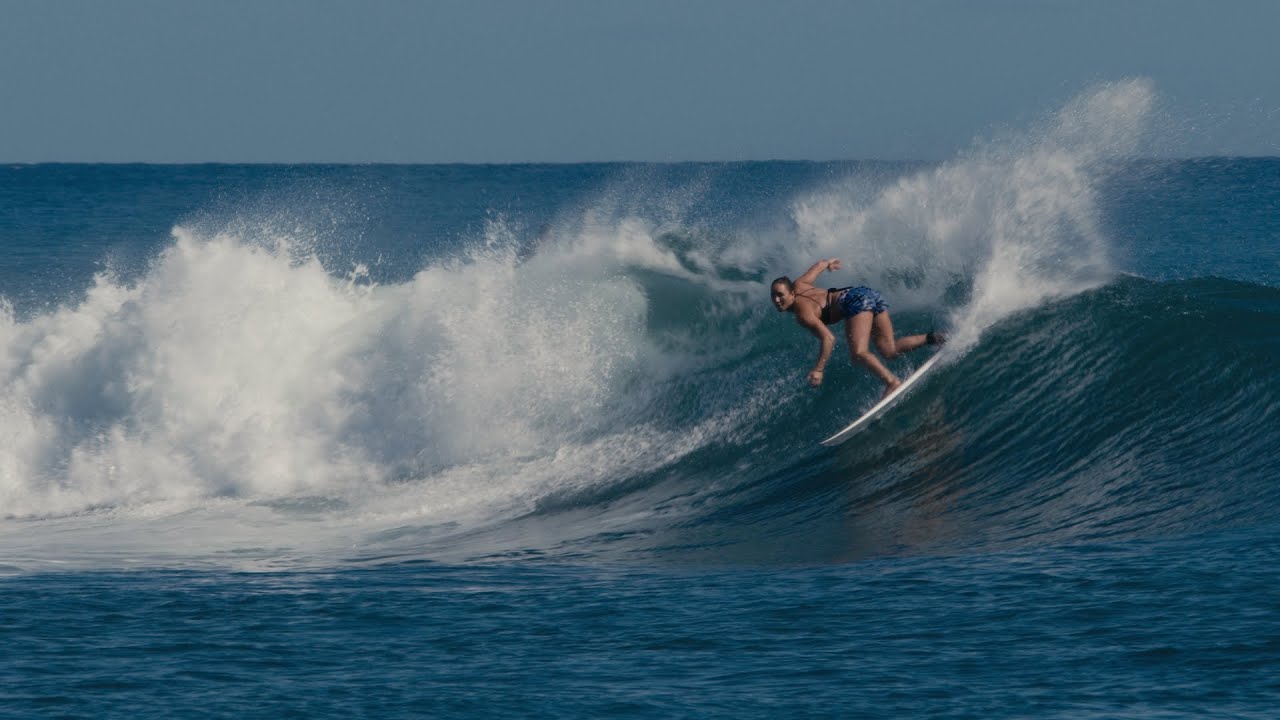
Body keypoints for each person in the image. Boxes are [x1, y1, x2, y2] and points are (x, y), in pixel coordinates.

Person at [771, 258, 943, 396]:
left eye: (780, 295)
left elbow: (829, 338)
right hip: (865, 293)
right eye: (774, 296)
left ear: (792, 293)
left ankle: (892, 383)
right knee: (889, 350)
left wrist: (818, 369)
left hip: (853, 301)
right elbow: (819, 264)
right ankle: (934, 338)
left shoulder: (802, 314)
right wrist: (829, 263)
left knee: (859, 353)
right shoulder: (800, 283)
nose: (777, 300)